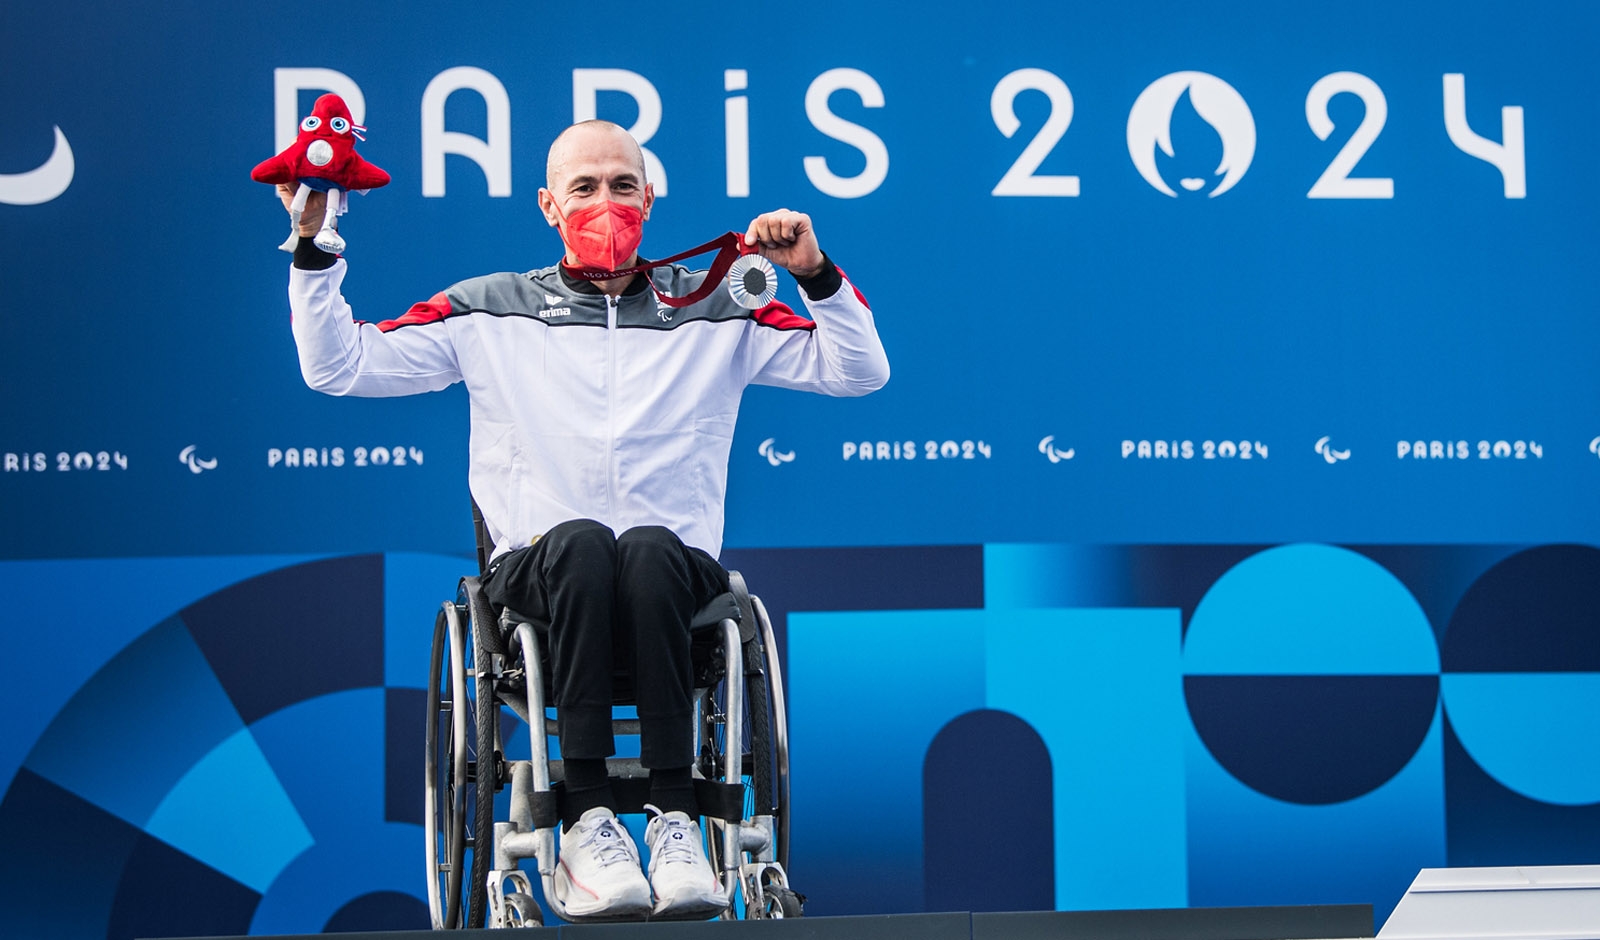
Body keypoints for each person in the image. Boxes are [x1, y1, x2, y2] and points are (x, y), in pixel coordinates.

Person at [277, 119, 889, 919]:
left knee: (643, 548)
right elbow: (337, 367)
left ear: (651, 197)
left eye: (623, 185)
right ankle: (586, 825)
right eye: (585, 187)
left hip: (672, 584)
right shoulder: (487, 310)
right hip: (540, 582)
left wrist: (812, 272)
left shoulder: (713, 308)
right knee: (582, 545)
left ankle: (677, 822)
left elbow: (861, 371)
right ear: (548, 205)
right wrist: (316, 248)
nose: (607, 201)